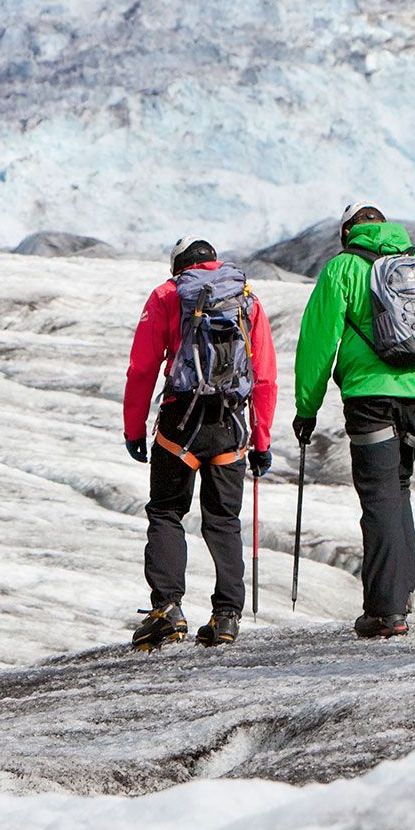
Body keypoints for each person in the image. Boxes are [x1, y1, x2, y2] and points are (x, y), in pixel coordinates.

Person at [294, 202, 415, 638]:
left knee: (379, 495)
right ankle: (400, 594)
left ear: (347, 233)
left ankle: (386, 610)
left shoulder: (343, 269)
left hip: (371, 395)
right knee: (399, 486)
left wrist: (307, 407)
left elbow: (318, 341)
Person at [124, 236, 278, 650]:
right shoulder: (246, 298)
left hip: (181, 423)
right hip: (230, 423)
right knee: (223, 520)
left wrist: (134, 428)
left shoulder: (166, 295)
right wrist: (261, 440)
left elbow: (141, 369)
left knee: (167, 512)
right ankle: (226, 616)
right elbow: (263, 377)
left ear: (179, 266)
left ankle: (167, 611)